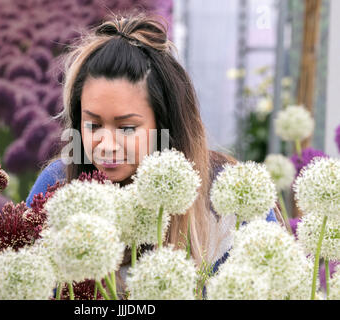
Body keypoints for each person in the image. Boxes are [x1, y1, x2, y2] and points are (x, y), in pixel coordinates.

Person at [26, 12, 284, 296]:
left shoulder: (230, 197)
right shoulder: (57, 186)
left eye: (126, 127)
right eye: (93, 124)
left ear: (165, 125)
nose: (106, 144)